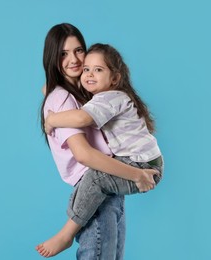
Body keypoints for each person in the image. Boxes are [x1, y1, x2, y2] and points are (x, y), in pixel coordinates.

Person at [35, 23, 159, 259]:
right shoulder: (62, 98)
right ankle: (65, 235)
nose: (74, 59)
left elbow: (53, 92)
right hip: (95, 189)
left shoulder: (86, 91)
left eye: (78, 50)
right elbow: (84, 155)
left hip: (110, 187)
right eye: (63, 54)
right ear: (52, 57)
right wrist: (138, 175)